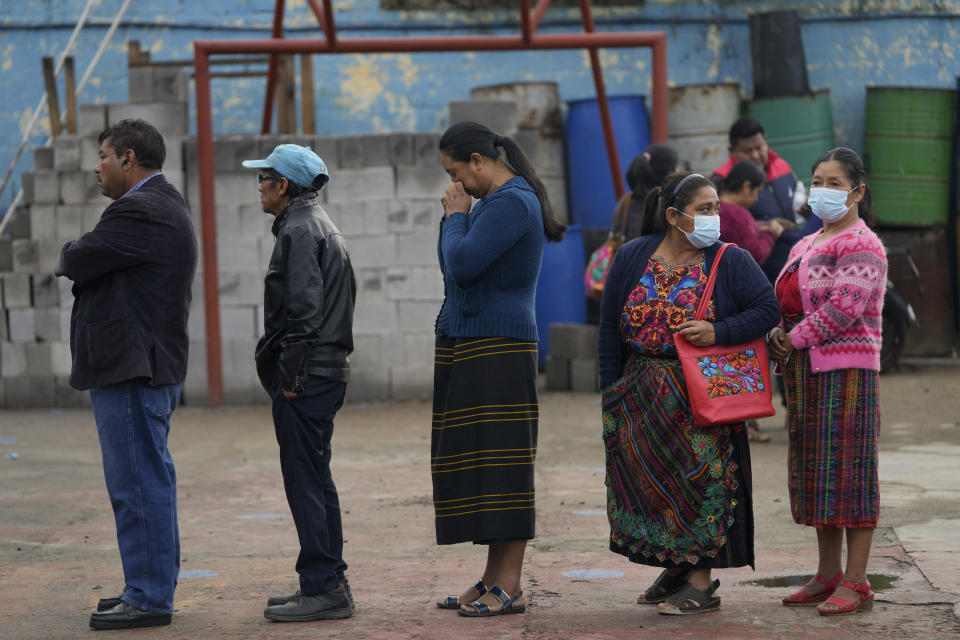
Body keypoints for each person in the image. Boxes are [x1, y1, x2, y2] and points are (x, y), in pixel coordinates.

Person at [597, 172, 779, 615]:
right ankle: (676, 568)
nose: (715, 217)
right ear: (674, 215)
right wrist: (610, 392)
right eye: (705, 209)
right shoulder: (633, 256)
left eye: (716, 207)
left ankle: (700, 582)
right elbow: (607, 330)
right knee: (650, 489)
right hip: (639, 397)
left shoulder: (728, 260)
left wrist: (720, 330)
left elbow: (767, 309)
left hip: (700, 398)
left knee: (702, 484)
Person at [56, 119, 197, 630]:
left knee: (138, 483)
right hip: (138, 366)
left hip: (135, 369)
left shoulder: (140, 209)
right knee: (143, 481)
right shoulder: (160, 204)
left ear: (129, 159)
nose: (97, 166)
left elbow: (77, 256)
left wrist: (77, 250)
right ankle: (145, 586)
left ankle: (151, 596)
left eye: (104, 156)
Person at [432, 121, 565, 617]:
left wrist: (454, 219)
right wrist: (460, 219)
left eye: (455, 172)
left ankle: (510, 583)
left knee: (504, 466)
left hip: (499, 347)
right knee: (485, 465)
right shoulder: (493, 204)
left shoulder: (511, 202)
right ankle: (491, 577)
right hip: (477, 343)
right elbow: (457, 265)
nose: (454, 186)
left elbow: (462, 264)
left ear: (478, 162)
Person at [242, 144, 357, 622]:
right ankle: (327, 579)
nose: (259, 186)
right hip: (323, 372)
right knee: (316, 477)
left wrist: (290, 376)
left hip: (308, 376)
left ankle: (323, 587)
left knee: (305, 480)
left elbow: (304, 312)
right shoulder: (316, 223)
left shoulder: (299, 229)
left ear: (283, 185)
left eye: (264, 178)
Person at [769, 147, 886, 616]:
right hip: (807, 371)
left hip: (847, 374)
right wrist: (780, 332)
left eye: (835, 183)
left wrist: (791, 338)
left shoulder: (863, 243)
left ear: (858, 191)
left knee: (851, 474)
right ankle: (827, 573)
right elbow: (790, 300)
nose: (823, 189)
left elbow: (843, 309)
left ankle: (857, 581)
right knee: (818, 472)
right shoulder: (806, 242)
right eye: (818, 180)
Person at [710, 117, 819, 282]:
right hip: (756, 274)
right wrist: (768, 227)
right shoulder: (720, 180)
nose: (755, 155)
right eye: (747, 151)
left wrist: (806, 212)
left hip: (792, 263)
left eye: (759, 147)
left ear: (766, 142)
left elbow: (797, 199)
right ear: (731, 151)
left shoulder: (782, 166)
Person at [622, 144, 678, 241]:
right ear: (670, 172)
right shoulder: (668, 206)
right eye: (675, 168)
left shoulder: (626, 201)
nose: (678, 171)